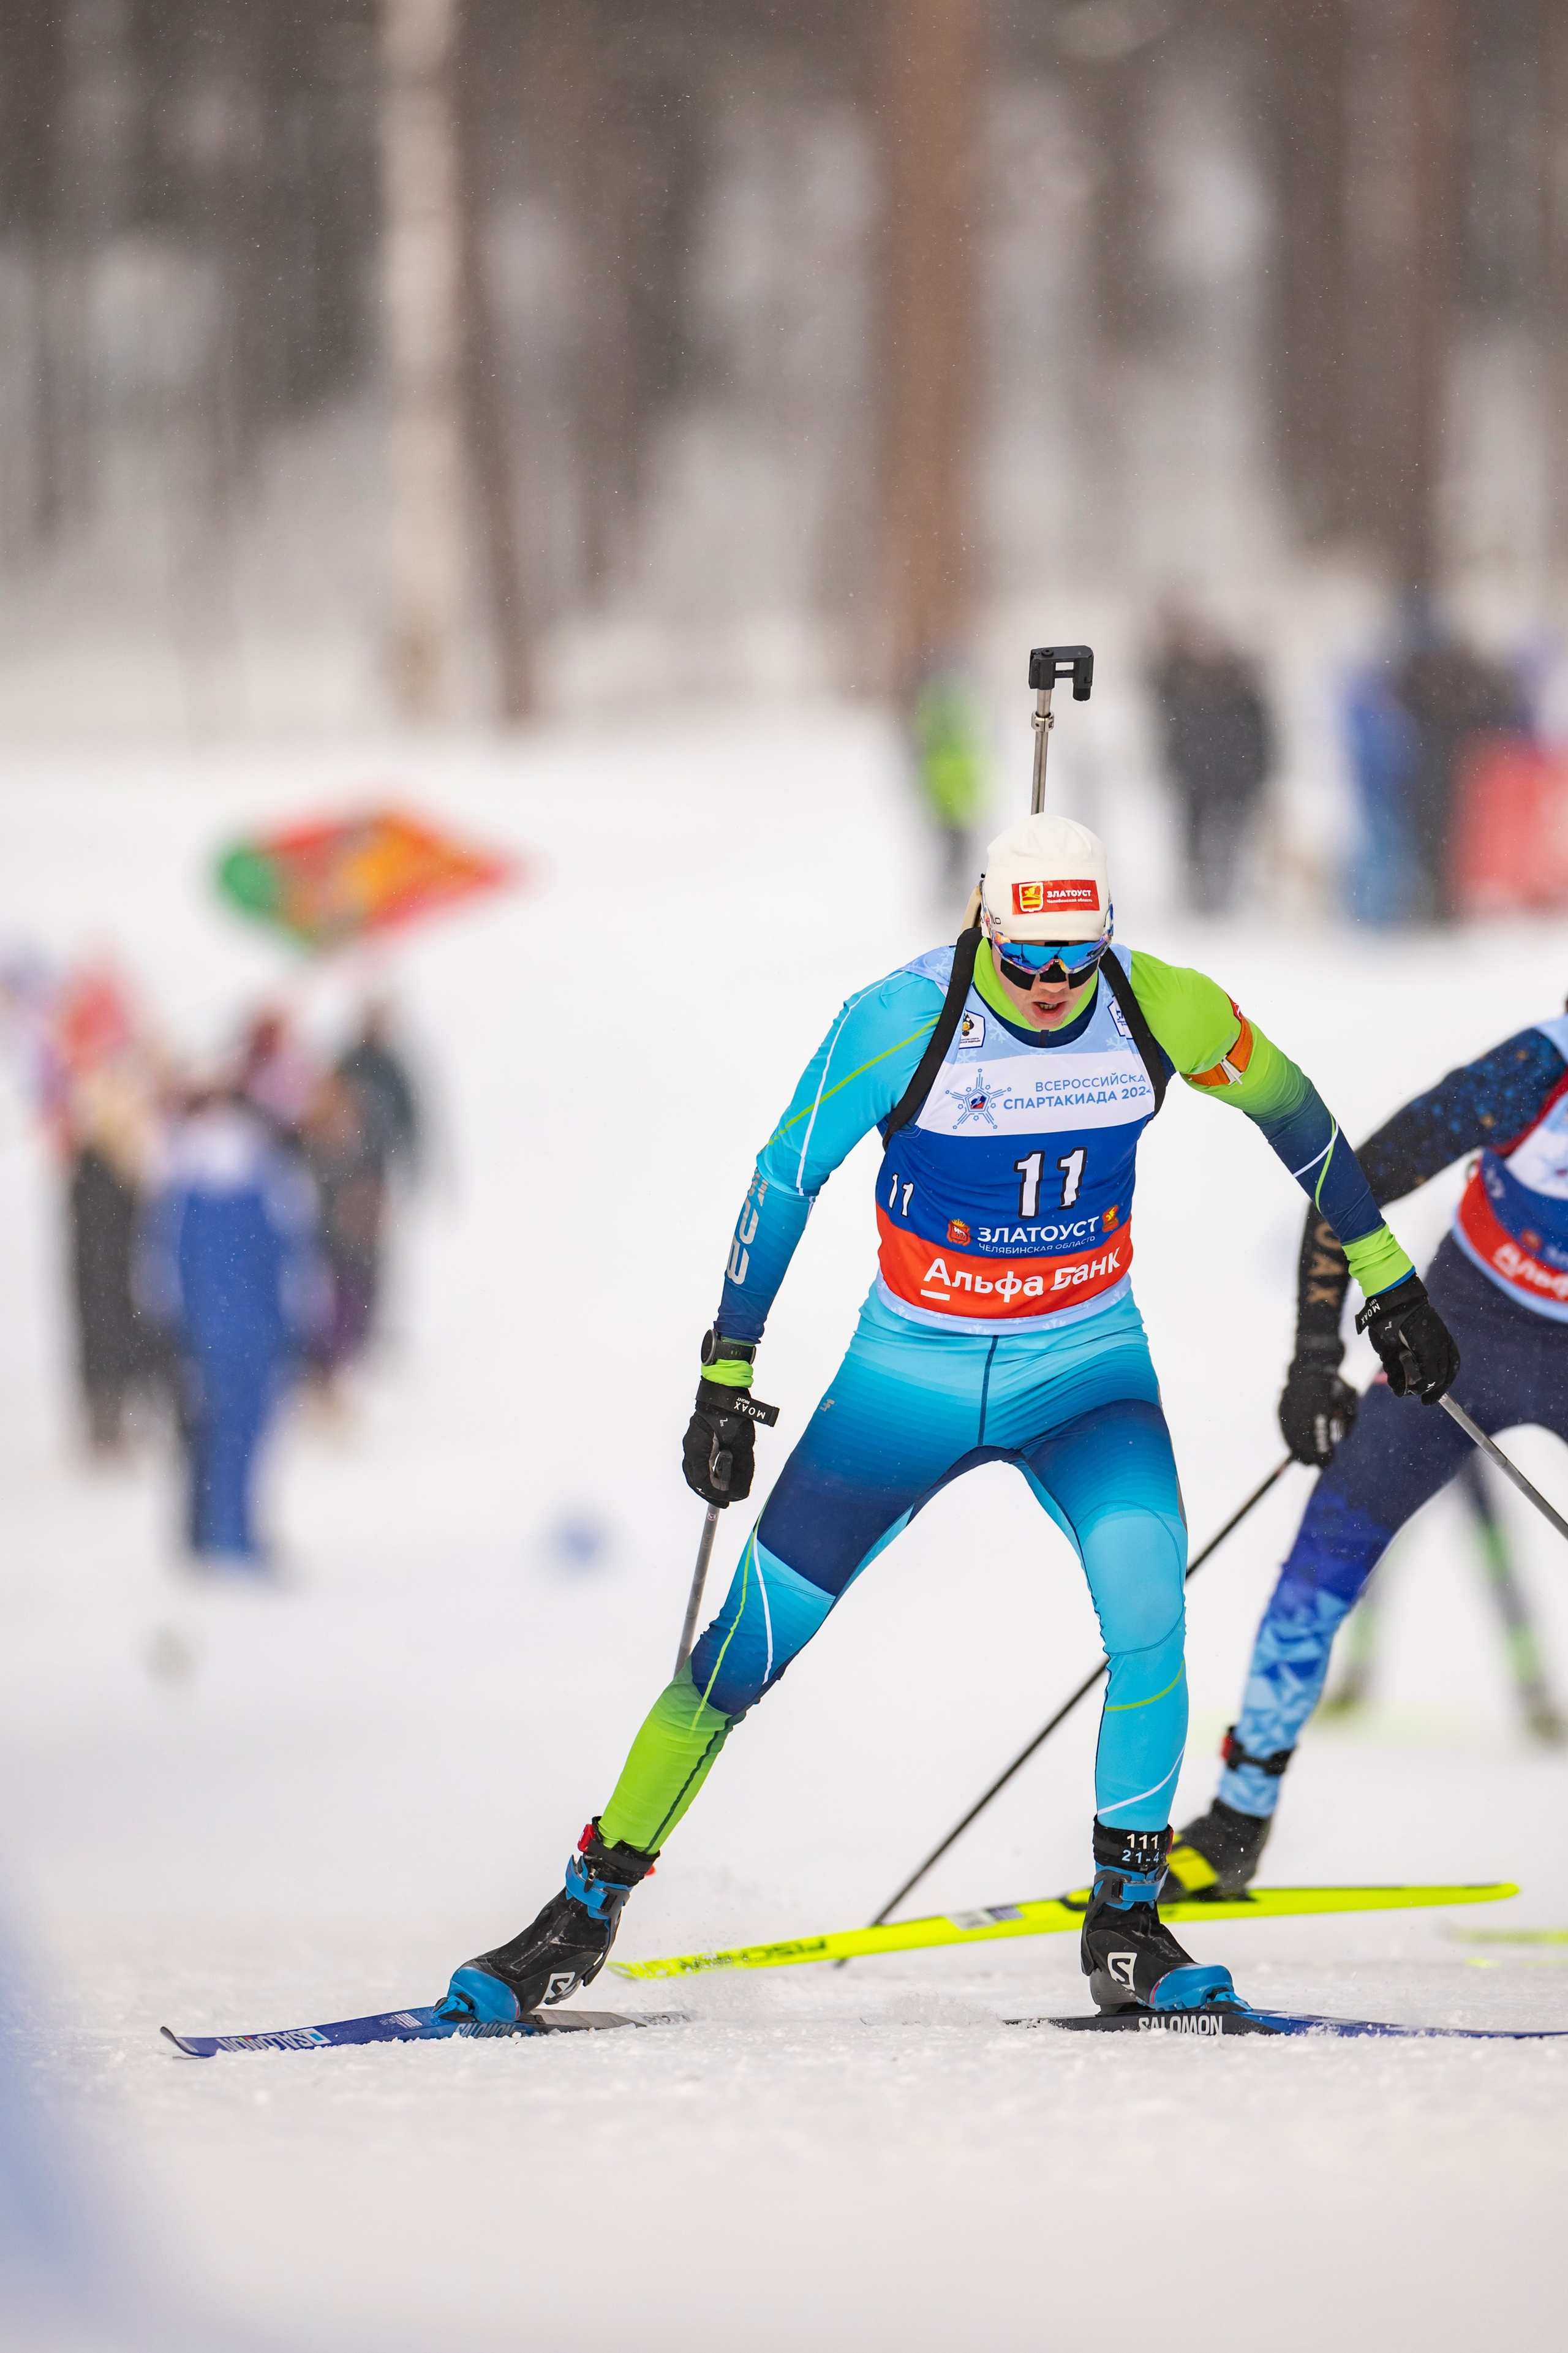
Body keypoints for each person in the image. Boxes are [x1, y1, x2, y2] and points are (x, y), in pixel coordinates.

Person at [432, 811, 1455, 2026]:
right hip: (905, 1379)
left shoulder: (1159, 1006)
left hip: (1083, 1370)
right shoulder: (899, 1020)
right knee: (739, 1653)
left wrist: (1389, 1280)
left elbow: (1298, 1116)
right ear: (983, 926)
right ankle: (581, 1913)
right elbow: (783, 1177)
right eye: (1024, 959)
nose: (1049, 984)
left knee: (1150, 1612)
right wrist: (726, 1372)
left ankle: (1125, 1924)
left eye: (1074, 959)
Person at [1171, 1007, 1567, 1897]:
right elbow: (1342, 1186)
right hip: (1466, 1337)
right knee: (1325, 1556)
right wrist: (1315, 1361)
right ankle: (1236, 1823)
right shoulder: (1531, 1072)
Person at [141, 1089, 321, 1567]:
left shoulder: (184, 1182)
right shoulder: (267, 1178)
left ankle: (213, 1529)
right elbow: (293, 1260)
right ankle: (234, 1531)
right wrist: (300, 1319)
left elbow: (163, 1267)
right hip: (257, 1329)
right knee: (246, 1433)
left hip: (208, 1332)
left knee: (212, 1433)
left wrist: (175, 1325)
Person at [1149, 614, 1275, 914]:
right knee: (1202, 834)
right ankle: (1202, 890)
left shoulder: (1239, 698)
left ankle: (1217, 890)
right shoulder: (1193, 691)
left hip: (1226, 778)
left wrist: (1258, 773)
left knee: (1226, 835)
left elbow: (1260, 740)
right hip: (1203, 778)